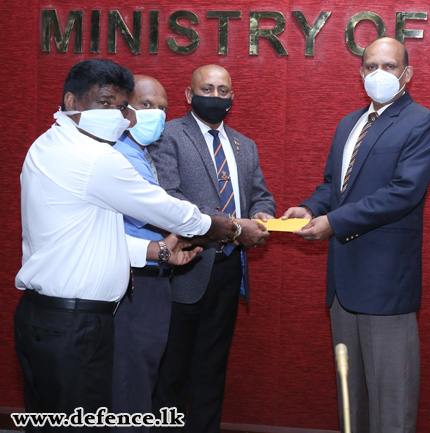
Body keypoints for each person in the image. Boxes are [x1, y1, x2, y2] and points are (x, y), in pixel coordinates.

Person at [13, 59, 268, 430]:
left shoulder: (45, 144)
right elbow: (174, 214)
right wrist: (231, 230)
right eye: (104, 103)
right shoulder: (97, 159)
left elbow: (85, 235)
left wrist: (155, 251)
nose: (115, 115)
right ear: (70, 100)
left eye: (118, 106)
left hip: (42, 316)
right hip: (75, 324)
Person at [282, 37, 430, 433]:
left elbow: (403, 192)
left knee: (391, 401)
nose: (379, 74)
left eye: (389, 66)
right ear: (360, 73)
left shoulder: (422, 121)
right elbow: (332, 186)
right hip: (343, 282)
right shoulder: (348, 123)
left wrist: (334, 222)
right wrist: (311, 207)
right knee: (350, 398)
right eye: (371, 66)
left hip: (385, 281)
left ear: (408, 74)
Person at [149, 64, 275, 433]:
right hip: (184, 266)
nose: (215, 97)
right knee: (172, 370)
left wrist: (262, 213)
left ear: (232, 97)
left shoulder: (244, 145)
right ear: (189, 95)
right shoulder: (168, 136)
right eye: (207, 89)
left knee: (212, 367)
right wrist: (236, 229)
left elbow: (259, 195)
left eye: (223, 91)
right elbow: (168, 197)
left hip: (227, 271)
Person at [111, 75, 173, 432]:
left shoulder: (140, 153)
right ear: (124, 108)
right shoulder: (120, 156)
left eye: (163, 108)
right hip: (135, 282)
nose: (158, 115)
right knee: (129, 385)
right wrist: (224, 226)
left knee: (141, 379)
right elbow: (159, 214)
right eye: (148, 105)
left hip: (153, 275)